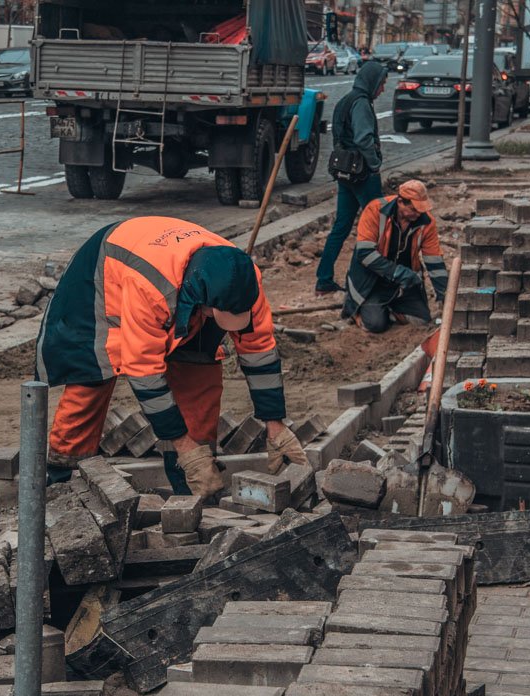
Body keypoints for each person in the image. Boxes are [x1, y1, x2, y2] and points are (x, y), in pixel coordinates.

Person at [36, 216, 308, 496]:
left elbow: (259, 349)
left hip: (177, 278)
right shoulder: (152, 290)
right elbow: (144, 373)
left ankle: (191, 483)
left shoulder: (246, 280)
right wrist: (184, 447)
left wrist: (276, 426)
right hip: (103, 274)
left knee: (199, 373)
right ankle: (64, 478)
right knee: (91, 376)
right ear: (203, 302)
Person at [314, 60, 388, 296]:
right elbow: (364, 138)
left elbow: (339, 136)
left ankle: (324, 279)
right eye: (382, 84)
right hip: (363, 174)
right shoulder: (362, 104)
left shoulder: (345, 100)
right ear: (373, 82)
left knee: (341, 226)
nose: (383, 89)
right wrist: (375, 164)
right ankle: (367, 279)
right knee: (376, 228)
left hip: (346, 172)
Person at [343, 180, 448, 334]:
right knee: (376, 325)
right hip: (372, 280)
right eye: (413, 209)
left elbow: (434, 261)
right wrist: (397, 272)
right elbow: (364, 254)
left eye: (421, 209)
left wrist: (444, 293)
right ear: (400, 202)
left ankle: (389, 310)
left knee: (422, 321)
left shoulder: (426, 222)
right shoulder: (375, 210)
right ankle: (358, 311)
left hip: (405, 282)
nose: (418, 214)